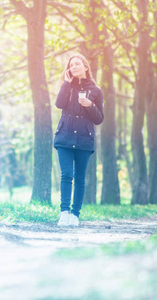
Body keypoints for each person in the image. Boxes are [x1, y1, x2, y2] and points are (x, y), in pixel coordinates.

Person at [54, 54, 104, 227]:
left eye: (77, 64)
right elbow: (59, 104)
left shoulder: (96, 90)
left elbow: (99, 119)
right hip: (65, 138)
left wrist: (91, 106)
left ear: (85, 66)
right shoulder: (67, 86)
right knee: (66, 174)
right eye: (71, 65)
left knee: (80, 178)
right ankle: (64, 213)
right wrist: (66, 83)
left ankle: (75, 214)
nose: (73, 67)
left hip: (84, 139)